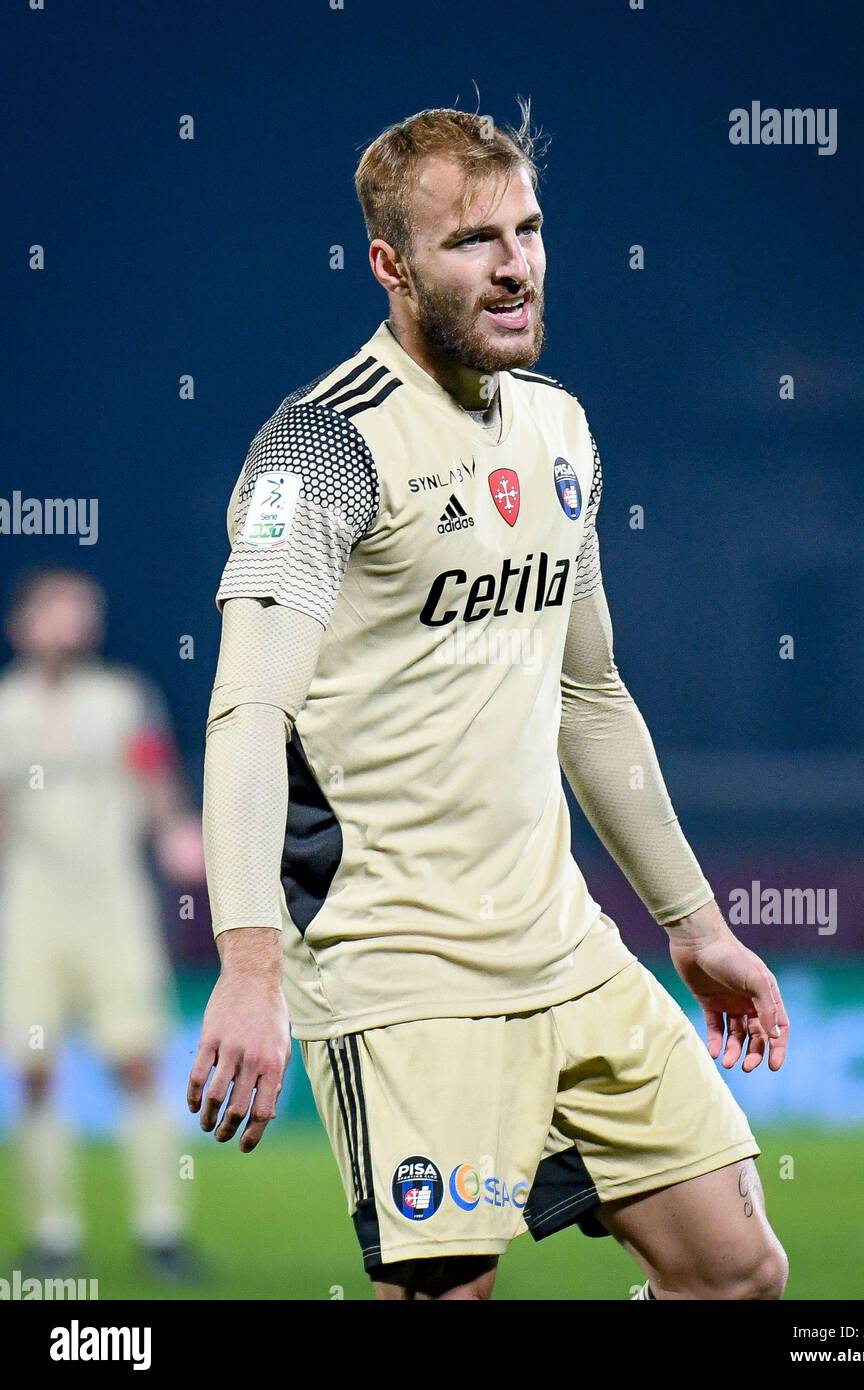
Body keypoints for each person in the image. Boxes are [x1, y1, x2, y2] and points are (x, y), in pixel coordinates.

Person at [189, 103, 791, 1301]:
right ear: (391, 266)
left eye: (529, 229)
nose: (515, 264)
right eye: (473, 240)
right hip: (399, 963)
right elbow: (247, 711)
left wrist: (693, 921)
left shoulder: (560, 428)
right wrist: (248, 964)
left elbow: (590, 688)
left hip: (562, 944)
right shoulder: (319, 449)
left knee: (738, 1274)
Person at [0, 567, 206, 1280]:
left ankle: (162, 1231)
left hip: (114, 903)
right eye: (55, 609)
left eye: (82, 609)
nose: (70, 622)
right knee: (33, 1071)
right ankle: (54, 1234)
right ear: (21, 624)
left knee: (138, 1063)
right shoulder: (4, 709)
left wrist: (177, 832)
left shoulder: (122, 700)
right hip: (30, 908)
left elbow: (154, 781)